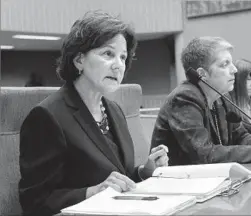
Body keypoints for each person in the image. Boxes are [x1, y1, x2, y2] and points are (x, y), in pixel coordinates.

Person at [18, 11, 168, 216]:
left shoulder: (114, 110)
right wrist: (92, 192)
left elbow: (119, 178)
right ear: (79, 60)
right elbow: (34, 201)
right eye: (108, 54)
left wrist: (146, 171)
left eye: (123, 57)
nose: (119, 65)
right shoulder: (46, 116)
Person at [151, 36, 251, 166]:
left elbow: (241, 137)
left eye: (231, 63)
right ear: (202, 74)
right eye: (225, 64)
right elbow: (203, 154)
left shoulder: (222, 97)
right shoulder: (184, 99)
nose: (234, 69)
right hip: (180, 183)